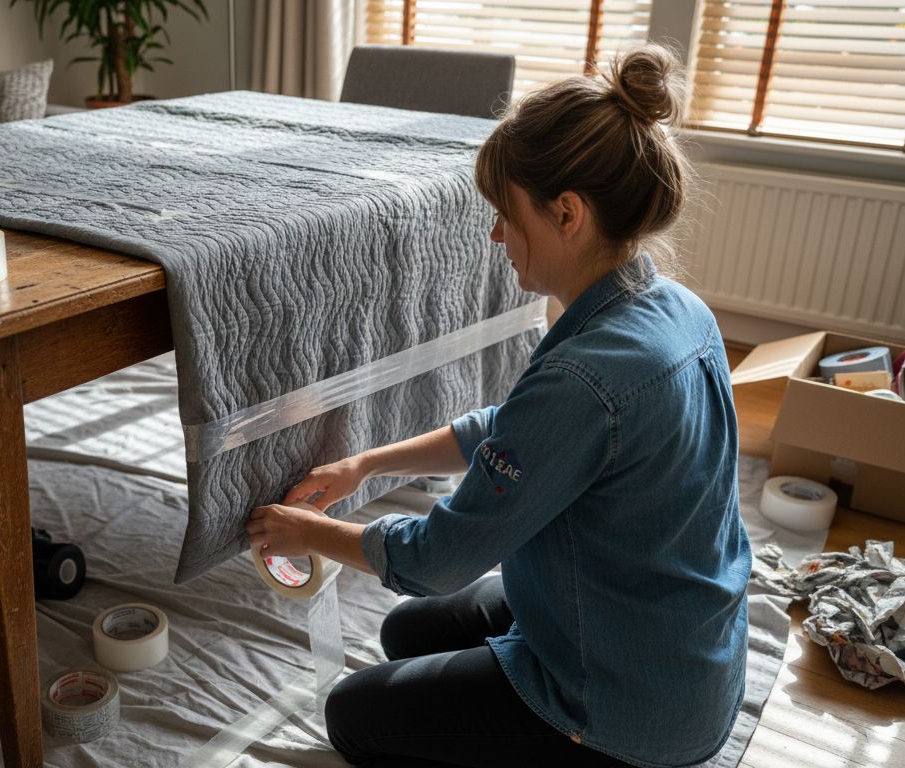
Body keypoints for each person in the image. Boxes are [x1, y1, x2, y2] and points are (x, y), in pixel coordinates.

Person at [246, 43, 750, 768]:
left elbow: (435, 559)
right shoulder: (675, 309)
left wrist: (308, 534)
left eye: (506, 215)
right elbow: (512, 431)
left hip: (627, 709)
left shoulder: (588, 377)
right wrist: (361, 464)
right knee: (406, 635)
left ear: (568, 213)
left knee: (353, 716)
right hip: (672, 648)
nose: (494, 235)